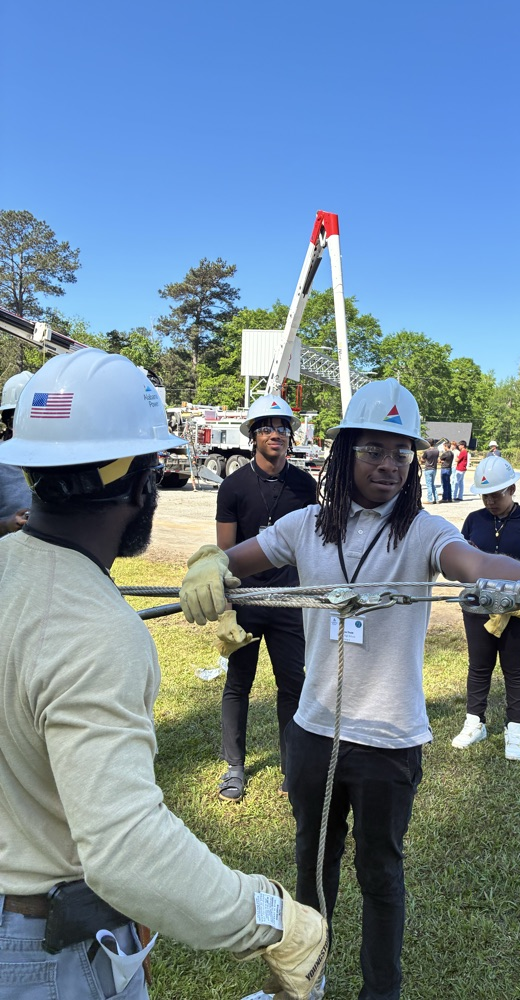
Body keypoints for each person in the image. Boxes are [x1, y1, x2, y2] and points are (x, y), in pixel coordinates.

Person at [178, 377, 520, 1000]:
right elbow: (237, 559)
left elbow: (477, 565)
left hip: (388, 739)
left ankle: (381, 993)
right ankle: (306, 981)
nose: (390, 464)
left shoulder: (424, 531)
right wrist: (209, 561)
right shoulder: (304, 526)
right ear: (345, 453)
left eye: (402, 452)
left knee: (380, 875)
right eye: (374, 450)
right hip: (313, 733)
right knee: (313, 869)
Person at [0, 350, 327, 1000]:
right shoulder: (96, 629)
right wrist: (275, 919)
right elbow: (126, 849)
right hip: (47, 954)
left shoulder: (8, 564)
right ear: (140, 485)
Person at [215, 393, 317, 801]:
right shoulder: (233, 487)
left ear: (291, 436)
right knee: (238, 684)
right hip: (247, 601)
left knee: (293, 686)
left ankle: (292, 769)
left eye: (282, 428)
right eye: (267, 428)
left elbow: (314, 544)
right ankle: (234, 768)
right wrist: (226, 610)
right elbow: (224, 554)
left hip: (289, 601)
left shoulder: (305, 486)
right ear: (253, 436)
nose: (276, 434)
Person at [452, 455, 520, 760]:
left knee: (515, 668)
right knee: (479, 665)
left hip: (518, 609)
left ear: (512, 489)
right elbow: (463, 561)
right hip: (478, 607)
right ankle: (475, 722)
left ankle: (515, 728)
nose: (490, 502)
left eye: (496, 495)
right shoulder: (473, 520)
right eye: (485, 496)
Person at [0, 370, 33, 537]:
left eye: (32, 419)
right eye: (18, 420)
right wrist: (7, 524)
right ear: (8, 422)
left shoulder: (58, 464)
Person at [420, 438, 439, 504]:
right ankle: (436, 498)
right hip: (434, 468)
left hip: (428, 468)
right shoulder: (437, 451)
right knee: (433, 484)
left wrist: (423, 460)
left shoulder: (427, 451)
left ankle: (430, 499)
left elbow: (422, 459)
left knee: (429, 485)